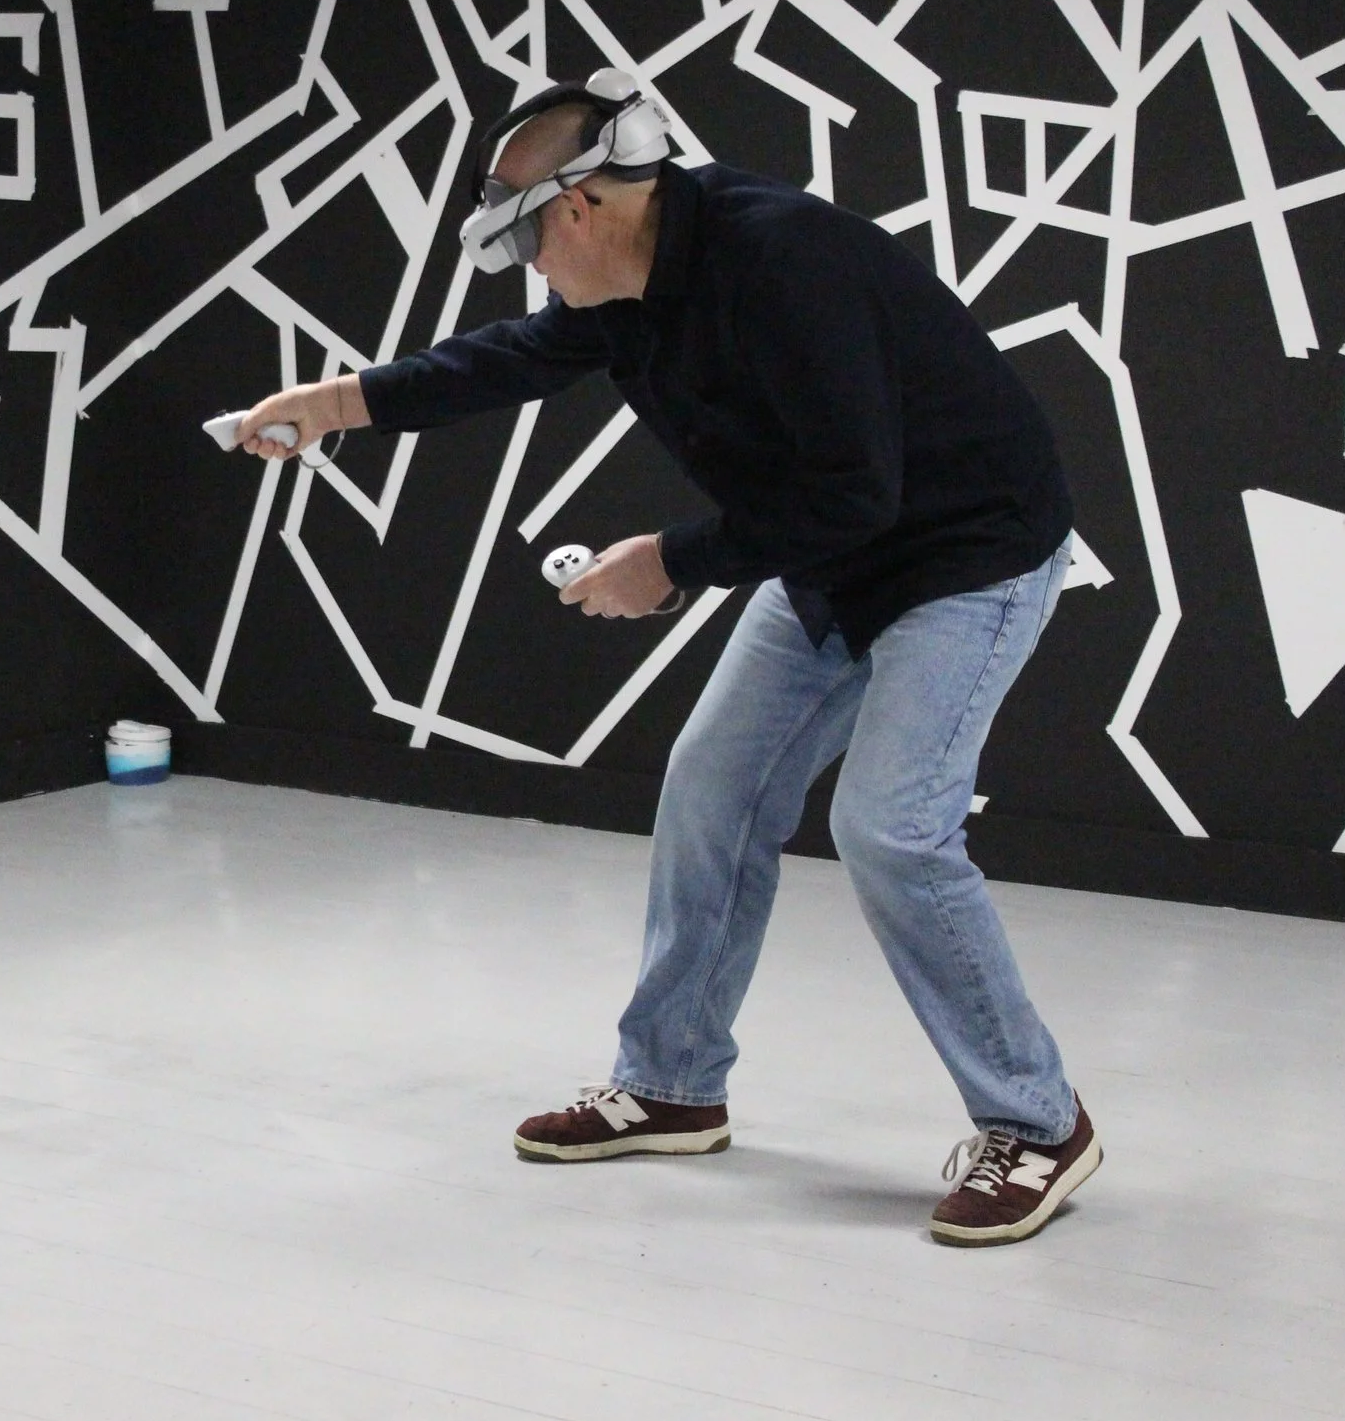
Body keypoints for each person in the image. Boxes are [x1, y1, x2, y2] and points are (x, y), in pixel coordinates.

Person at [233, 72, 1099, 1246]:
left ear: (581, 208)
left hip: (964, 560)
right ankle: (673, 1079)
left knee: (891, 828)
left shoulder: (786, 265)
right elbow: (513, 357)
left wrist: (674, 560)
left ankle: (1037, 1121)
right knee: (711, 790)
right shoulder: (631, 278)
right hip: (828, 561)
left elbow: (858, 488)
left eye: (528, 240)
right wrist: (340, 403)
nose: (532, 268)